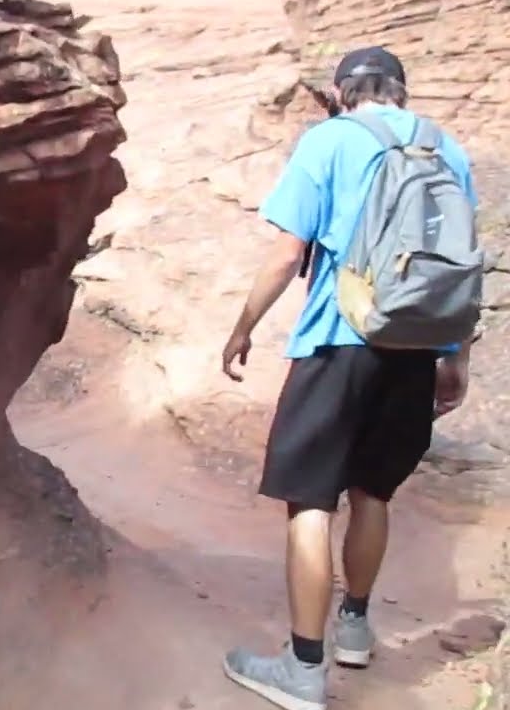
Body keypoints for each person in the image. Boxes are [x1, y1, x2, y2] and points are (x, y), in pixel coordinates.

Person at [217, 46, 479, 710]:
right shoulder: (448, 150)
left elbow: (287, 252)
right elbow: (458, 265)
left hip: (339, 345)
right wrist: (455, 358)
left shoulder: (329, 141)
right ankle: (355, 627)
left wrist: (244, 325)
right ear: (401, 91)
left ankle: (303, 671)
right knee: (372, 493)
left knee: (310, 502)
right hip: (414, 348)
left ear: (341, 90)